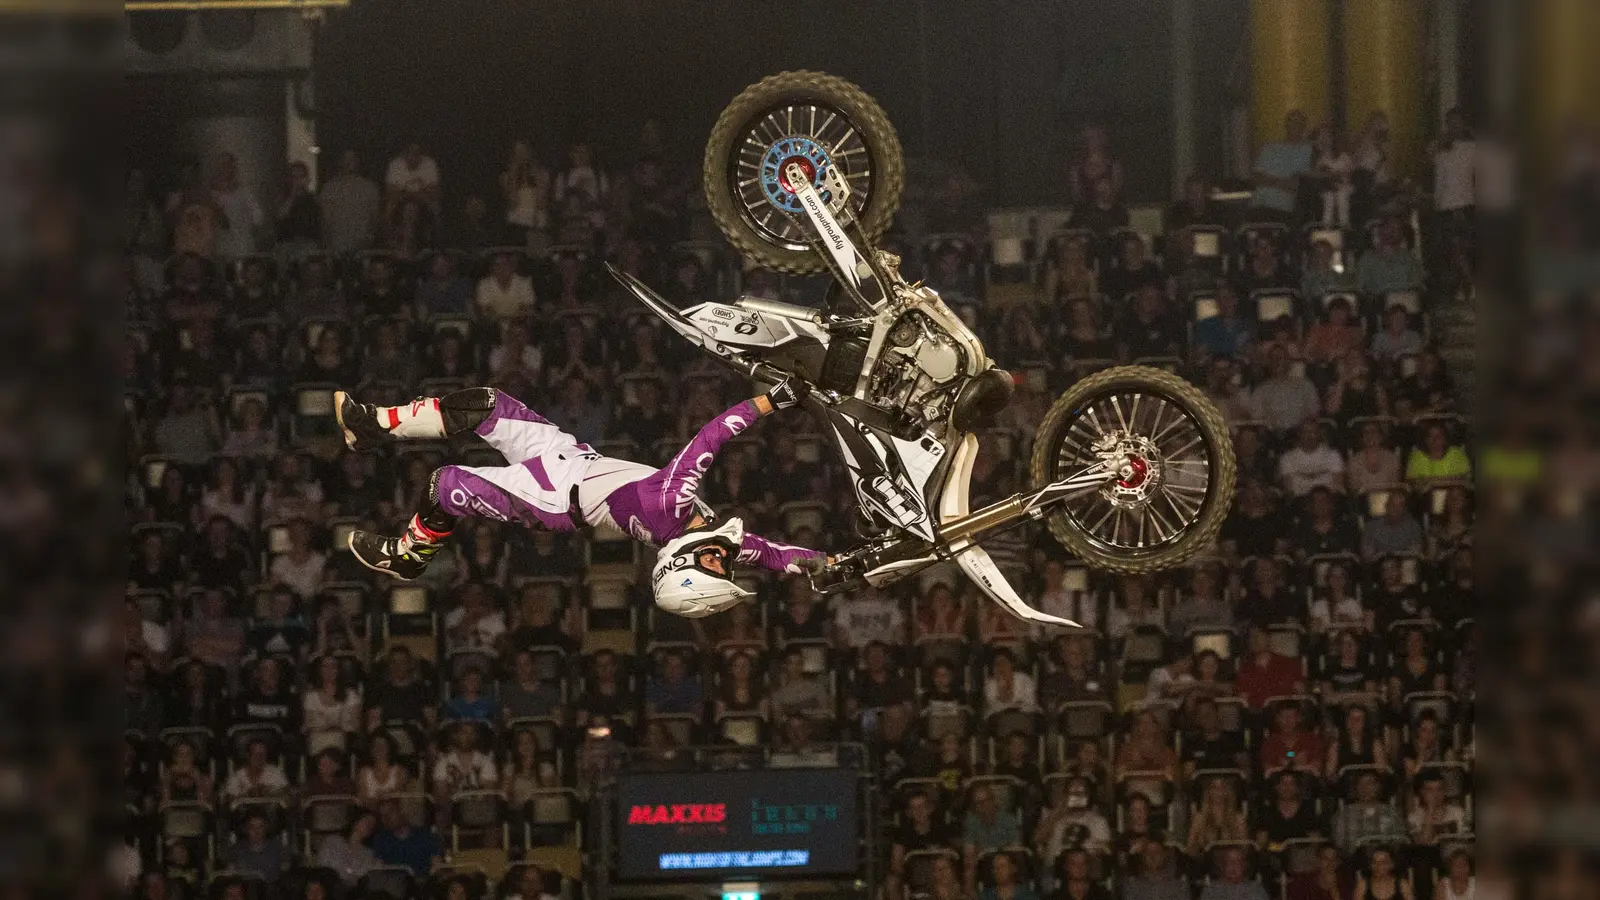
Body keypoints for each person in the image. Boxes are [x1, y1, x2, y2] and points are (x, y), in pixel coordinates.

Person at [333, 380, 822, 618]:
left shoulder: (672, 506)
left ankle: (410, 556)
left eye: (713, 568)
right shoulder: (714, 539)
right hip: (568, 457)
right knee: (484, 404)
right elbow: (779, 557)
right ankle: (370, 425)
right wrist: (835, 564)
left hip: (548, 496)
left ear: (681, 565)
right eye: (723, 571)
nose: (724, 562)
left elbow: (712, 436)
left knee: (445, 484)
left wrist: (771, 400)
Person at [1252, 110, 1314, 220]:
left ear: (1304, 127)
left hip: (1283, 207)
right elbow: (1257, 178)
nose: (1295, 125)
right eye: (1292, 121)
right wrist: (1282, 182)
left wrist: (1270, 181)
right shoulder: (1269, 148)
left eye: (1298, 122)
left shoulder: (1308, 151)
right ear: (1286, 124)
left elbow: (1296, 184)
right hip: (1258, 204)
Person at [1331, 772, 1406, 853]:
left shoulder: (1390, 812)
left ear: (1378, 787)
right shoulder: (1344, 814)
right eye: (1361, 784)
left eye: (1369, 783)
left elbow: (1399, 839)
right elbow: (1339, 843)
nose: (1365, 788)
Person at [368, 797, 443, 876]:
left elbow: (437, 865)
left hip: (423, 883)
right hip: (393, 884)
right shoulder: (381, 839)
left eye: (391, 811)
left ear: (401, 811)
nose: (387, 818)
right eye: (383, 815)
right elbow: (377, 869)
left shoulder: (425, 835)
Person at [316, 811, 382, 885]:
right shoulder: (331, 841)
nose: (369, 826)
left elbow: (363, 877)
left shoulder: (368, 854)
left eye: (372, 824)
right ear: (356, 821)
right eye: (366, 821)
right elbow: (322, 867)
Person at [1200, 846, 1271, 900]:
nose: (1233, 866)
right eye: (1229, 861)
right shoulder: (1211, 890)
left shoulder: (1255, 888)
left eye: (1238, 861)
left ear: (1244, 866)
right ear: (1222, 865)